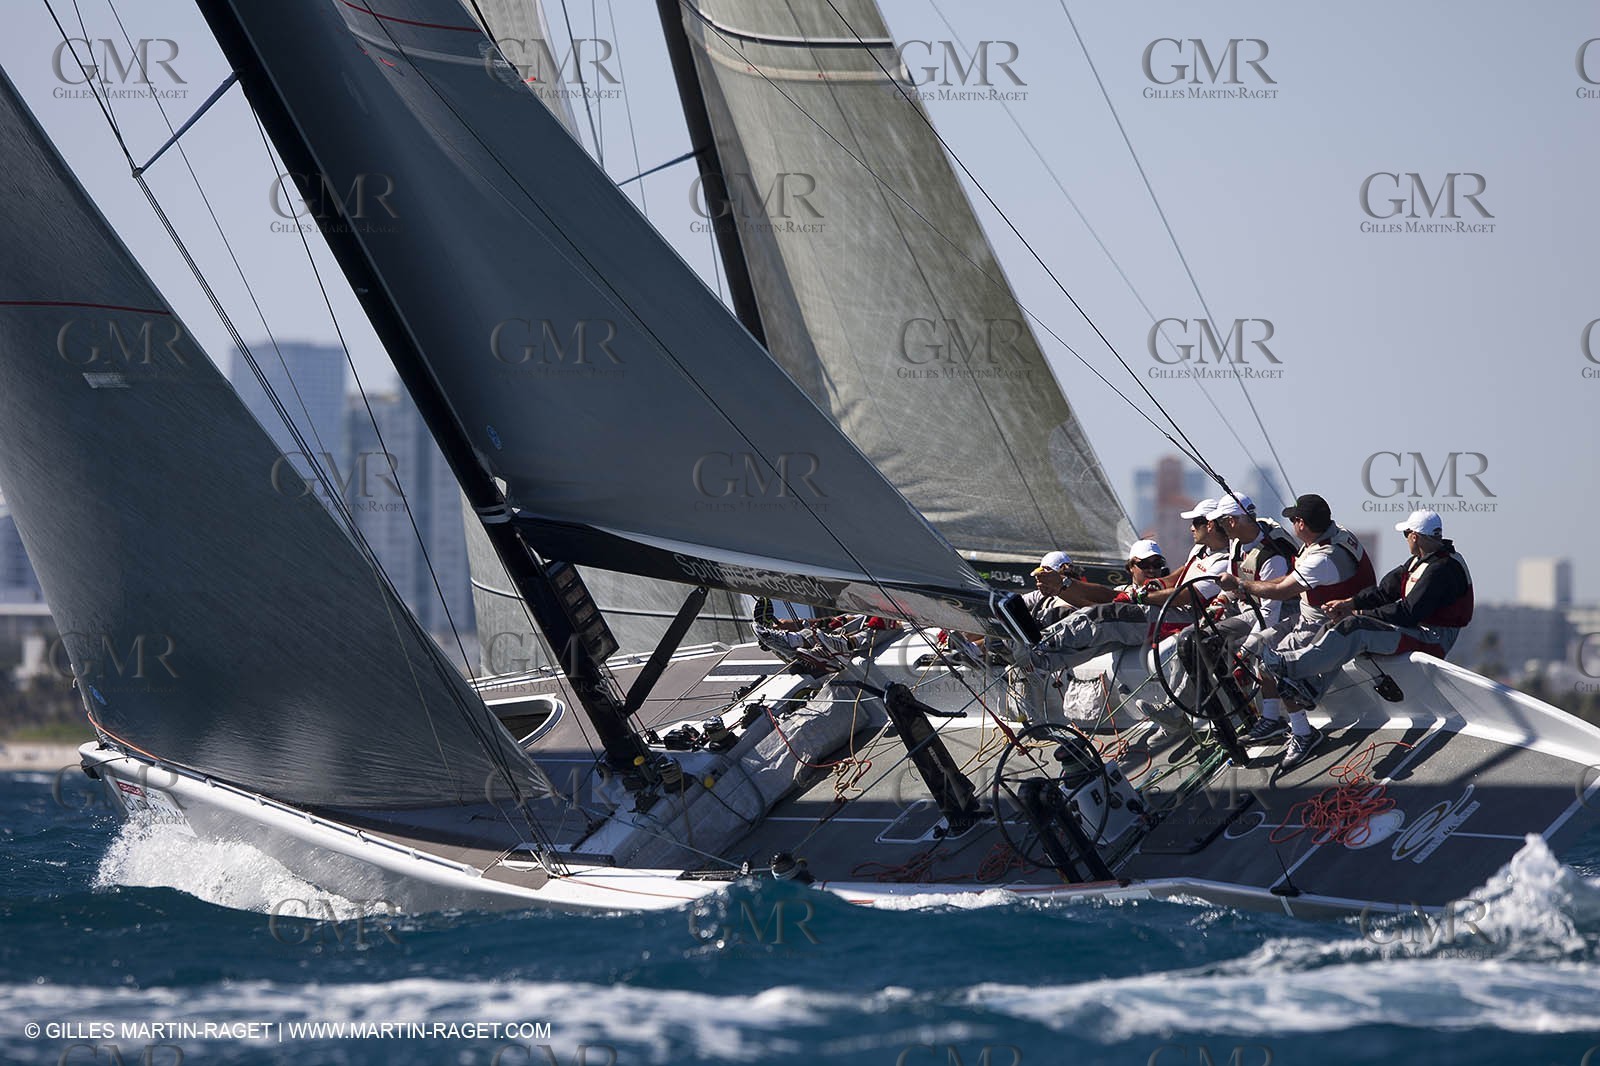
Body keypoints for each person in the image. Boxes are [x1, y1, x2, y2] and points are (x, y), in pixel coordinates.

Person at [1217, 493, 1376, 770]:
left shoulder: (1323, 558)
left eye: (1293, 519)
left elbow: (1282, 590)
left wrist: (1241, 586)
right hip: (1307, 614)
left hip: (1328, 623)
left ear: (1302, 523)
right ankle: (1272, 719)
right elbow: (1289, 581)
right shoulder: (1334, 535)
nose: (1290, 524)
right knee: (1262, 647)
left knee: (1281, 665)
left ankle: (1303, 733)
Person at [1259, 508, 1473, 712]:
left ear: (1414, 536)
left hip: (1433, 638)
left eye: (1406, 534)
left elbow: (1408, 613)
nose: (1406, 538)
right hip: (1418, 630)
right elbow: (1383, 592)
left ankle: (1289, 666)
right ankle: (1312, 687)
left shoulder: (1442, 569)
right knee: (1337, 624)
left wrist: (1359, 614)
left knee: (1356, 629)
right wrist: (1350, 604)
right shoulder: (1419, 561)